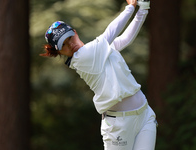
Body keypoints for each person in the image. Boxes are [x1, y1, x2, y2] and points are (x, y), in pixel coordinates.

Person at [41, 0, 157, 149]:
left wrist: (143, 9)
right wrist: (131, 7)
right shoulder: (81, 58)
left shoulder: (99, 50)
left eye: (70, 38)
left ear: (75, 32)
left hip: (144, 114)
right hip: (119, 127)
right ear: (59, 52)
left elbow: (124, 40)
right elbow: (111, 32)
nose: (70, 45)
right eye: (63, 45)